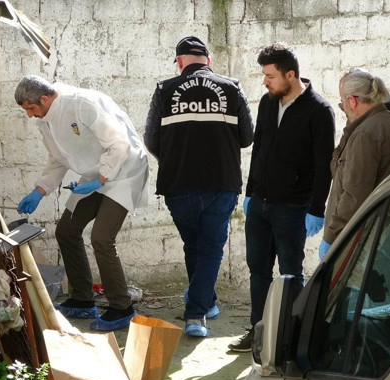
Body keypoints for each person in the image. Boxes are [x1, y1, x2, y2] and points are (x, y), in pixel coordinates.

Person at [15, 75, 150, 331]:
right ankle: (82, 298)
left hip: (124, 171)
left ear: (44, 99)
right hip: (94, 175)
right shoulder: (45, 120)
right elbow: (58, 159)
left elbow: (119, 144)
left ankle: (122, 307)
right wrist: (39, 190)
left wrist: (101, 178)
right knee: (66, 230)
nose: (30, 115)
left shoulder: (81, 103)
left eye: (31, 109)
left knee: (101, 238)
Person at [144, 36, 254, 338]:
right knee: (209, 249)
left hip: (178, 184)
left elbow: (151, 140)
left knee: (195, 246)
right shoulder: (231, 87)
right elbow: (247, 137)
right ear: (208, 61)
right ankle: (197, 314)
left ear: (179, 62)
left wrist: (177, 158)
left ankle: (204, 304)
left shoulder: (164, 90)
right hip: (221, 182)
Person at [229, 43, 336, 352]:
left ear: (291, 75)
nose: (265, 81)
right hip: (260, 204)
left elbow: (323, 163)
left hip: (293, 207)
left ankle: (289, 335)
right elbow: (258, 148)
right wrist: (250, 193)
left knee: (290, 273)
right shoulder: (266, 103)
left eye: (271, 76)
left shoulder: (319, 110)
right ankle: (258, 331)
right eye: (264, 75)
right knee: (258, 270)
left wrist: (316, 208)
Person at [320, 69, 390, 258]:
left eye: (343, 104)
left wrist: (331, 237)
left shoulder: (366, 134)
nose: (344, 109)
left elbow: (354, 195)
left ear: (353, 101)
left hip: (370, 241)